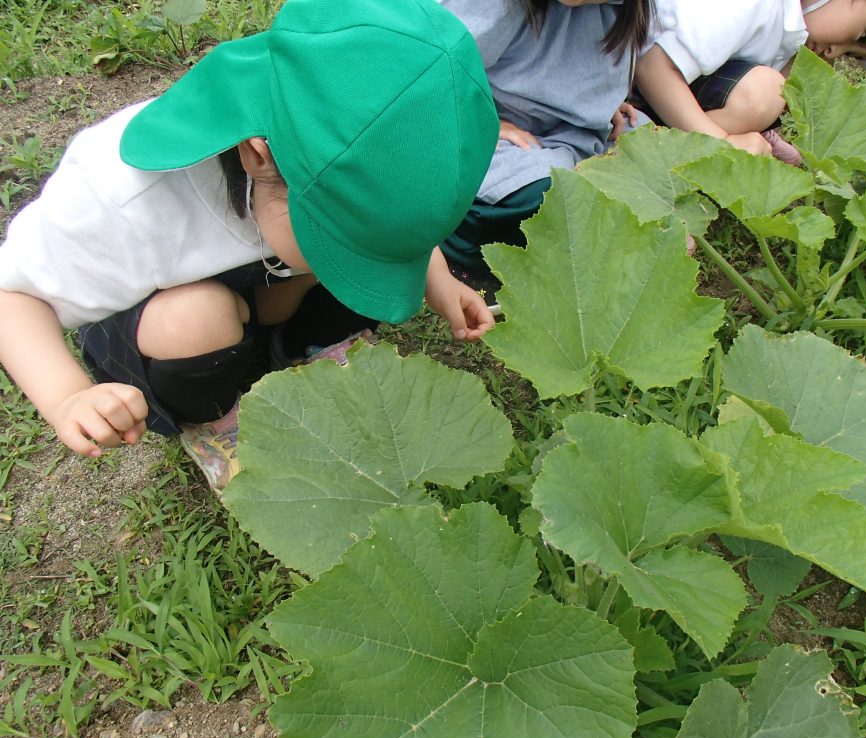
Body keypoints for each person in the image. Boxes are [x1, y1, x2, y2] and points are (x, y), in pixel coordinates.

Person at [0, 0, 499, 492]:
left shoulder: (322, 160)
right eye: (340, 234)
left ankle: (304, 349)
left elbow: (391, 218)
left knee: (341, 265)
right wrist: (67, 397)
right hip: (168, 317)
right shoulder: (123, 195)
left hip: (266, 279)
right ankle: (213, 418)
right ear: (257, 156)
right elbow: (13, 297)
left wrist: (436, 277)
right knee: (198, 316)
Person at [437, 0, 657, 300]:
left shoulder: (622, 8)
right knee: (547, 196)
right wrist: (485, 120)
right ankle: (459, 247)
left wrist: (602, 100)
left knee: (650, 150)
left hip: (576, 134)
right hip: (491, 131)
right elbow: (435, 66)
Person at [635, 0, 866, 164]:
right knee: (764, 92)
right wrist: (721, 144)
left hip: (661, 86)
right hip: (636, 84)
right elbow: (653, 69)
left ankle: (684, 145)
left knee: (786, 82)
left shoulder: (793, 24)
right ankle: (662, 161)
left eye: (852, 54)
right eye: (862, 37)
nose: (836, 53)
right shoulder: (750, 5)